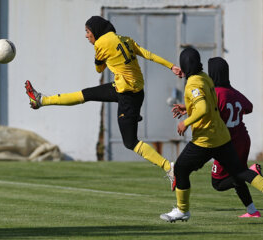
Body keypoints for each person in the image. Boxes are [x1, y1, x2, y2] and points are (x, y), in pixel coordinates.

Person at [24, 16, 183, 189]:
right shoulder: (125, 39)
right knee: (86, 94)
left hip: (128, 96)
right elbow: (147, 54)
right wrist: (171, 66)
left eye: (87, 31)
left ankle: (169, 167)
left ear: (96, 31)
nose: (86, 36)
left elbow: (99, 68)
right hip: (129, 89)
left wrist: (101, 57)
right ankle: (41, 100)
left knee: (131, 143)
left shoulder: (101, 44)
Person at [160, 47, 263, 223]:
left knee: (181, 168)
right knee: (240, 172)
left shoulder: (192, 84)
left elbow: (203, 108)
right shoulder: (206, 78)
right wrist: (187, 107)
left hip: (206, 139)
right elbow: (210, 103)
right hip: (223, 136)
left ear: (184, 65)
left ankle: (182, 210)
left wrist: (185, 122)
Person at [208, 57, 262, 218]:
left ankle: (251, 172)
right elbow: (249, 107)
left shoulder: (215, 93)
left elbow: (204, 110)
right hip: (243, 140)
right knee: (237, 175)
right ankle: (252, 211)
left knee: (218, 183)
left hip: (227, 143)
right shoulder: (233, 92)